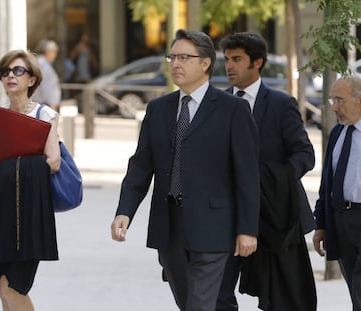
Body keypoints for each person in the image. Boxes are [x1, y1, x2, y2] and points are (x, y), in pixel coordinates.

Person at [110, 29, 260, 311]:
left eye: (184, 57)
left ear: (205, 63)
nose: (175, 64)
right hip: (170, 226)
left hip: (215, 227)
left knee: (201, 304)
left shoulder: (233, 110)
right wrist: (124, 211)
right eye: (172, 57)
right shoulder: (158, 109)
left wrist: (247, 229)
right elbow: (141, 166)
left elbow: (247, 175)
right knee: (189, 302)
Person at [217, 32, 317, 311]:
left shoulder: (280, 104)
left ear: (257, 62)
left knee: (282, 299)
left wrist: (275, 179)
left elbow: (305, 155)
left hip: (273, 217)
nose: (229, 66)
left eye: (237, 59)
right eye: (227, 59)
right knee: (216, 294)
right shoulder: (217, 104)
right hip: (226, 216)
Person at [0, 50, 61, 311]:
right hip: (0, 212)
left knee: (13, 287)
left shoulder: (44, 115)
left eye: (18, 71)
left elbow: (53, 161)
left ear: (32, 79)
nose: (10, 76)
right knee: (3, 288)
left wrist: (11, 169)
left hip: (29, 214)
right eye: (5, 72)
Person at [313, 75, 361, 311]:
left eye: (339, 100)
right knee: (360, 296)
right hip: (342, 223)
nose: (334, 107)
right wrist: (322, 224)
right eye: (331, 100)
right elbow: (327, 185)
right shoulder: (338, 133)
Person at [31, 39, 61, 111]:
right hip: (44, 104)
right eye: (54, 52)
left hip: (42, 104)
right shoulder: (43, 64)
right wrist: (52, 105)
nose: (55, 55)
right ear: (48, 52)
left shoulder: (42, 62)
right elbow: (46, 85)